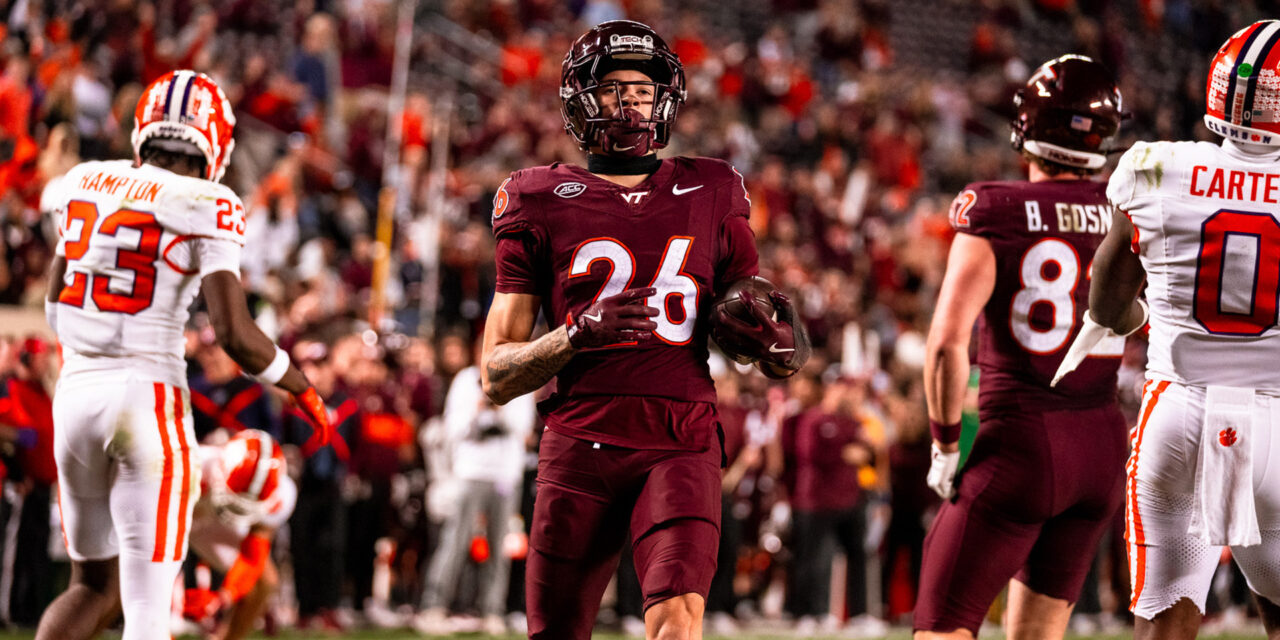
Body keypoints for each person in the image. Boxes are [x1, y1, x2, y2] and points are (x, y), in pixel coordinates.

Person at [480, 20, 809, 640]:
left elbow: (759, 328)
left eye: (642, 87)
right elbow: (494, 374)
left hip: (680, 434)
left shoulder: (713, 187)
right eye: (613, 88)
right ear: (582, 98)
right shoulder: (537, 198)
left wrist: (777, 345)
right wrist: (574, 335)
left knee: (678, 616)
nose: (630, 100)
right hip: (580, 434)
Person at [35, 70, 332, 640]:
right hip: (147, 396)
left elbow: (54, 306)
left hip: (75, 393)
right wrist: (300, 384)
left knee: (89, 587)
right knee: (147, 613)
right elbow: (235, 333)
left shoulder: (86, 180)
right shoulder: (209, 200)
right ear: (216, 143)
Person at [1055, 19, 1280, 640]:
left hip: (1178, 411)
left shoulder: (1158, 166)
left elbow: (1108, 290)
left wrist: (1126, 319)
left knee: (1162, 627)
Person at [916, 55, 1130, 640]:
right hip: (1103, 445)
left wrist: (943, 443)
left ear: (1027, 127)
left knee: (941, 627)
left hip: (1021, 444)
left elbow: (944, 343)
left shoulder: (997, 209)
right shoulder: (1129, 213)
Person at [416, 356, 536, 635]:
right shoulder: (467, 380)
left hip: (505, 474)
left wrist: (499, 405)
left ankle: (492, 610)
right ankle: (433, 606)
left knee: (499, 547)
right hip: (470, 471)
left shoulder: (523, 379)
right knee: (454, 541)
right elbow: (453, 429)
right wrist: (478, 407)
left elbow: (522, 427)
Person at [180, 429, 296, 640]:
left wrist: (221, 598)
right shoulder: (193, 466)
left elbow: (253, 558)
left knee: (265, 581)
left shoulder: (282, 494)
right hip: (178, 518)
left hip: (214, 528)